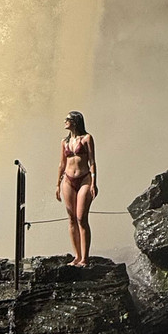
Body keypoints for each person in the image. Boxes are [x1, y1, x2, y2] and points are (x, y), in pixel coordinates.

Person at [55, 110, 98, 267]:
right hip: (68, 180)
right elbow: (62, 164)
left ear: (75, 121)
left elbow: (92, 161)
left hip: (84, 179)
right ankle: (77, 256)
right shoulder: (64, 142)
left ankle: (85, 258)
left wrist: (94, 182)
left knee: (81, 217)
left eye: (68, 119)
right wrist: (57, 185)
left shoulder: (86, 138)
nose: (65, 121)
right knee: (71, 218)